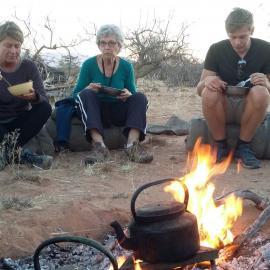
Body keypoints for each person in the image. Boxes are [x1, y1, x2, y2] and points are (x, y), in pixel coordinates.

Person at [196, 7, 270, 169]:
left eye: (242, 36)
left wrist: (267, 83)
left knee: (261, 92)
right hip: (223, 106)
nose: (238, 42)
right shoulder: (216, 49)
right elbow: (199, 88)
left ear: (252, 30)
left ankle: (244, 147)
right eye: (233, 37)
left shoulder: (266, 49)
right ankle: (220, 145)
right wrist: (208, 81)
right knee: (209, 92)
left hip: (251, 107)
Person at [71, 24, 153, 164]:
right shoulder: (88, 65)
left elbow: (132, 94)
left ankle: (132, 146)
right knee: (86, 94)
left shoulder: (126, 66)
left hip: (117, 110)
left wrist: (128, 94)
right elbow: (75, 96)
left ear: (119, 46)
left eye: (111, 43)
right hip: (95, 112)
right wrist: (88, 89)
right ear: (98, 45)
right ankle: (99, 148)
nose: (106, 47)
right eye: (103, 43)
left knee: (140, 97)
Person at [0, 21, 52, 170]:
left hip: (20, 123)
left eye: (17, 46)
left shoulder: (28, 66)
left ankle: (6, 152)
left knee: (45, 108)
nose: (13, 50)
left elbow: (43, 99)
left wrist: (35, 97)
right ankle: (27, 157)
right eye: (8, 45)